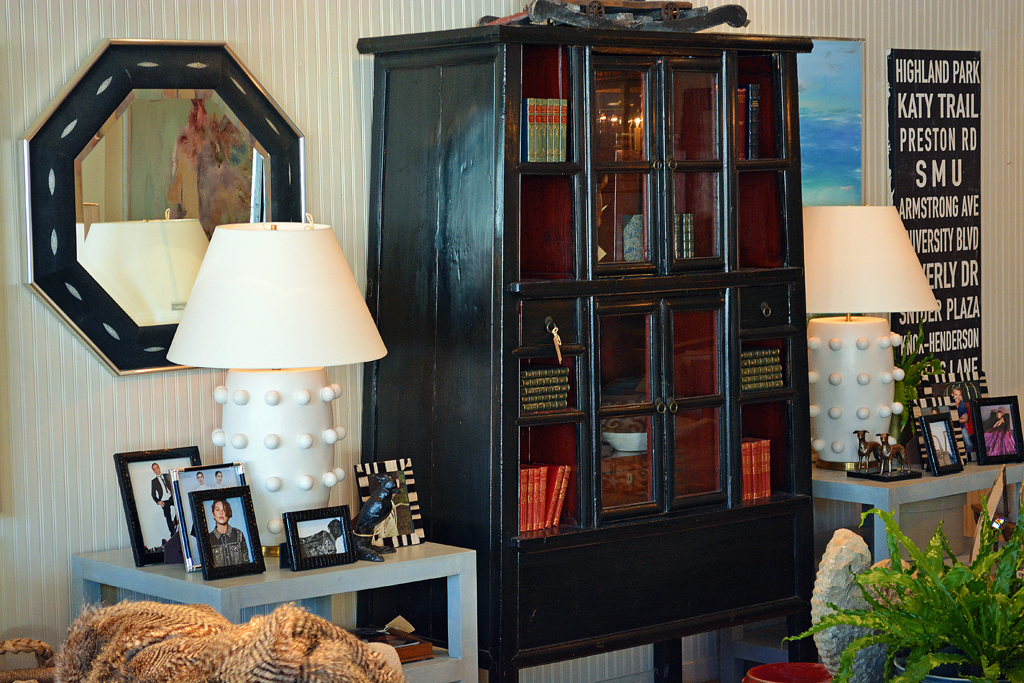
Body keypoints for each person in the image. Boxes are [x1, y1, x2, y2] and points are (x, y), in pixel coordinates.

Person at [208, 499, 249, 566]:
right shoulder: (209, 538)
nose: (221, 513)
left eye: (224, 510)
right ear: (213, 514)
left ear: (229, 514)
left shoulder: (238, 534)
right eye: (217, 510)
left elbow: (246, 561)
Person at [150, 463, 177, 538]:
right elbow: (153, 494)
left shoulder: (166, 475)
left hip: (171, 497)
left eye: (157, 468)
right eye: (154, 469)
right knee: (168, 517)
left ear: (159, 468)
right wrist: (158, 501)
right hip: (164, 500)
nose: (156, 470)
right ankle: (172, 534)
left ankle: (175, 521)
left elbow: (174, 483)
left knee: (179, 508)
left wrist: (173, 491)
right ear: (153, 471)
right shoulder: (154, 481)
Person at [951, 387, 975, 459]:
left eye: (959, 395)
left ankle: (967, 459)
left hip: (961, 426)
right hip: (951, 427)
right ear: (952, 395)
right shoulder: (949, 404)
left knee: (969, 444)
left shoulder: (962, 404)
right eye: (956, 395)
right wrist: (961, 418)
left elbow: (966, 420)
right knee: (954, 446)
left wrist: (956, 419)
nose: (958, 397)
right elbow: (950, 420)